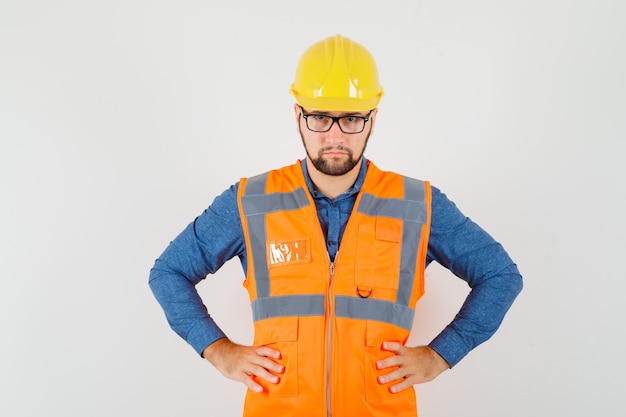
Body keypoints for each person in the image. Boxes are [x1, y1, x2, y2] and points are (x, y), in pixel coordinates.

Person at [149, 34, 523, 417]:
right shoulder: (250, 202)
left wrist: (441, 355)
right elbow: (169, 272)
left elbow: (501, 276)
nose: (334, 135)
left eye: (351, 119)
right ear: (298, 116)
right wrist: (218, 350)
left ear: (372, 121)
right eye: (320, 117)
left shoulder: (419, 205)